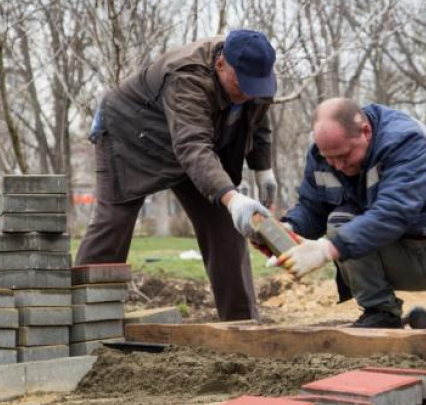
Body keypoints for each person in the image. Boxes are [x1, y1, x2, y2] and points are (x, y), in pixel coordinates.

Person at [269, 98, 426, 340]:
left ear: (365, 131)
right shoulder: (322, 154)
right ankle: (380, 312)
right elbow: (313, 207)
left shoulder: (407, 140)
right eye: (329, 158)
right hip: (394, 257)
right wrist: (284, 230)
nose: (336, 165)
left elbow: (394, 212)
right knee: (340, 222)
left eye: (344, 156)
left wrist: (328, 249)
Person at [76, 30, 278, 321]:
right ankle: (82, 320)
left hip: (195, 145)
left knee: (226, 227)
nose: (247, 93)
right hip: (131, 136)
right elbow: (192, 146)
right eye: (241, 84)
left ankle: (242, 326)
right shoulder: (188, 76)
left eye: (255, 86)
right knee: (113, 226)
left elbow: (258, 120)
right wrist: (233, 197)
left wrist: (263, 168)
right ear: (221, 63)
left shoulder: (257, 73)